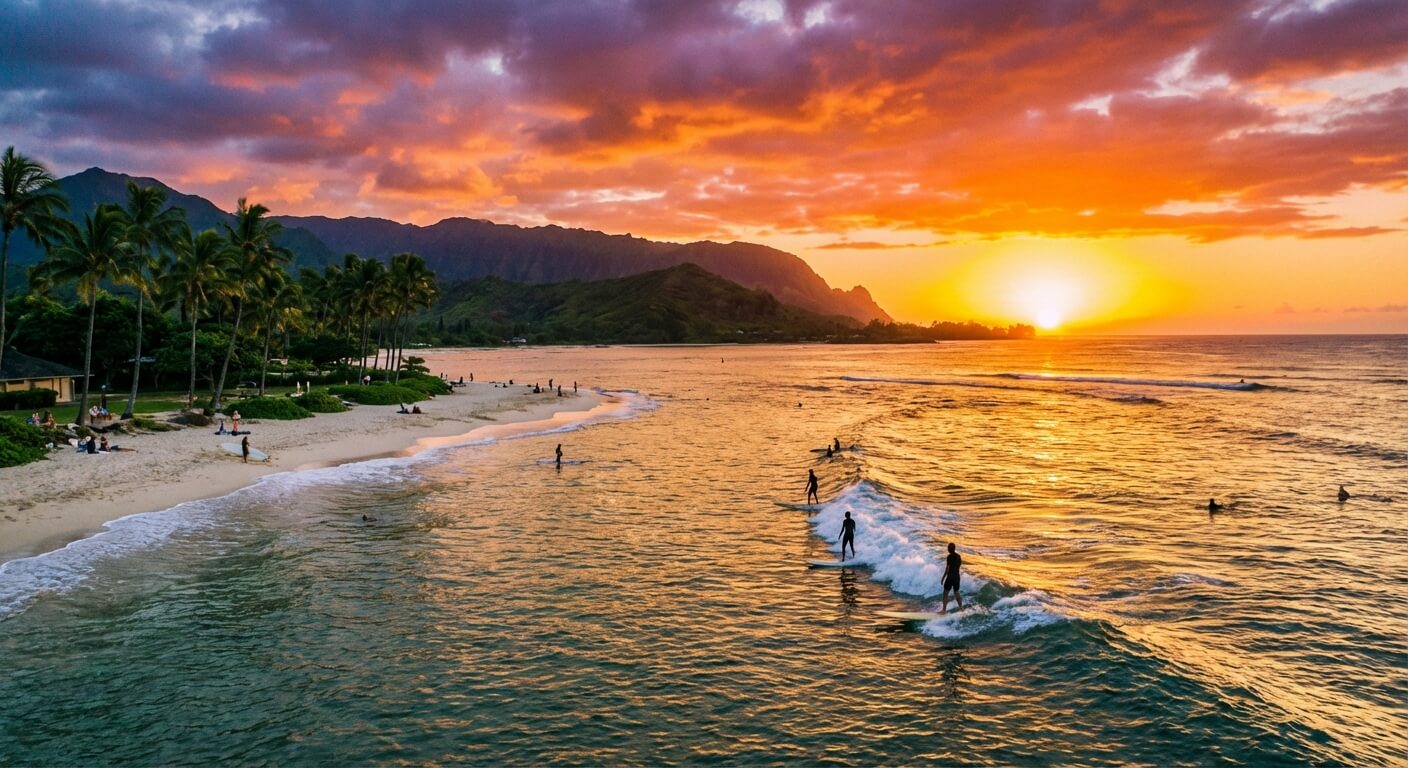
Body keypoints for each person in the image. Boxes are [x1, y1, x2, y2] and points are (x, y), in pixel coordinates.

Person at [941, 543, 964, 613]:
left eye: (948, 548)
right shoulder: (958, 556)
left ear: (949, 549)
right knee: (956, 592)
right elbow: (959, 566)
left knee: (945, 593)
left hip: (950, 577)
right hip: (957, 577)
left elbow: (947, 569)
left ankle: (944, 610)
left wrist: (943, 577)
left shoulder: (949, 557)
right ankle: (961, 608)